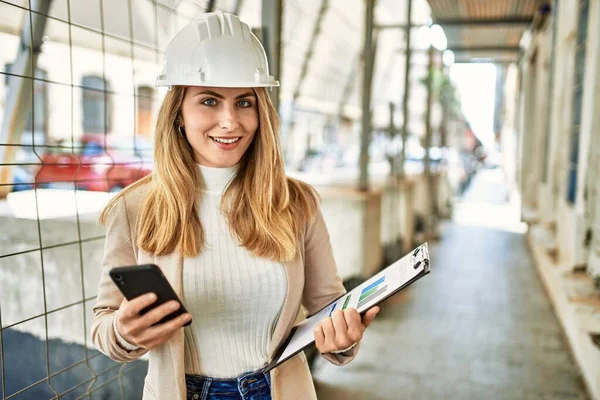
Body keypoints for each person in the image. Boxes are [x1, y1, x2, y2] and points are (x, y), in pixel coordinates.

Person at [91, 11, 379, 400]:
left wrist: (342, 340)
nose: (230, 122)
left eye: (244, 102)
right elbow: (104, 327)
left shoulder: (297, 203)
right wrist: (124, 333)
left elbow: (329, 308)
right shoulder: (135, 208)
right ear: (178, 113)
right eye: (209, 101)